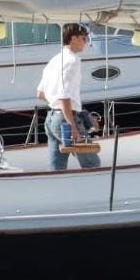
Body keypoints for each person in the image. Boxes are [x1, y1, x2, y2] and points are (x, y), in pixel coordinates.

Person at [35, 22, 101, 170]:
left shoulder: (54, 60)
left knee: (56, 168)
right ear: (73, 39)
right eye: (84, 38)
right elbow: (63, 97)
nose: (86, 42)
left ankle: (54, 191)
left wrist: (57, 103)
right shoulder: (72, 61)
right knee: (93, 164)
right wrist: (72, 126)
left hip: (51, 120)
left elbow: (40, 93)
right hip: (66, 120)